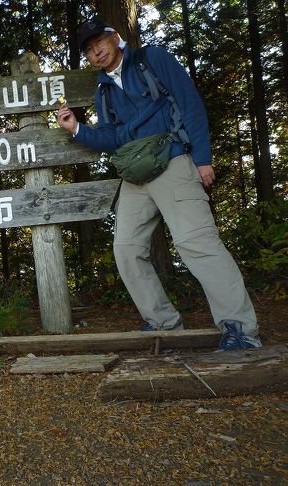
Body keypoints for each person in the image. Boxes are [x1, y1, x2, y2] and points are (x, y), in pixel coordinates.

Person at [57, 18, 261, 351]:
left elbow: (189, 101)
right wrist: (78, 129)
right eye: (88, 49)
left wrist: (203, 157)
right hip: (137, 176)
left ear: (115, 37)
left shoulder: (152, 59)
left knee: (197, 243)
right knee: (125, 249)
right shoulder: (103, 89)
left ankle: (240, 328)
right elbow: (113, 137)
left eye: (99, 42)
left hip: (175, 160)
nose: (96, 51)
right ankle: (165, 323)